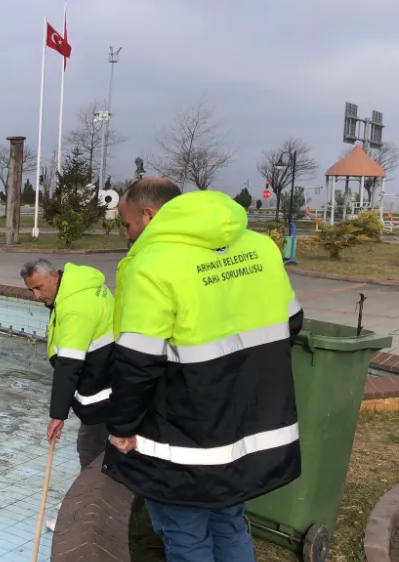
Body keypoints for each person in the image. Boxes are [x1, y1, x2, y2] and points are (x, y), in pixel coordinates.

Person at [104, 178, 303, 562]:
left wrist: (122, 428)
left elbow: (137, 363)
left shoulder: (151, 263)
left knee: (184, 533)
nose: (127, 234)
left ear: (148, 215)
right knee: (229, 520)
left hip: (186, 433)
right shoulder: (260, 247)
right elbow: (291, 323)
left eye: (126, 224)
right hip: (249, 422)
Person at [20, 258, 114, 532]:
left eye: (39, 288)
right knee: (99, 448)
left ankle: (88, 511)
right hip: (107, 381)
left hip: (102, 390)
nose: (37, 296)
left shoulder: (75, 307)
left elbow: (69, 366)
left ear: (54, 278)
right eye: (31, 291)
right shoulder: (79, 287)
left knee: (91, 449)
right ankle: (88, 501)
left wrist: (57, 415)